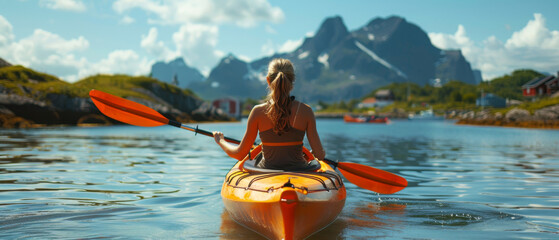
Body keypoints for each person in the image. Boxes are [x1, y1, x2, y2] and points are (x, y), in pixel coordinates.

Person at [213, 58, 325, 170]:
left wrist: (221, 141)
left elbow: (239, 154)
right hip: (301, 171)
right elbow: (320, 155)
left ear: (268, 80)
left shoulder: (258, 112)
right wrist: (310, 153)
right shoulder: (306, 111)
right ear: (292, 81)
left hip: (266, 172)